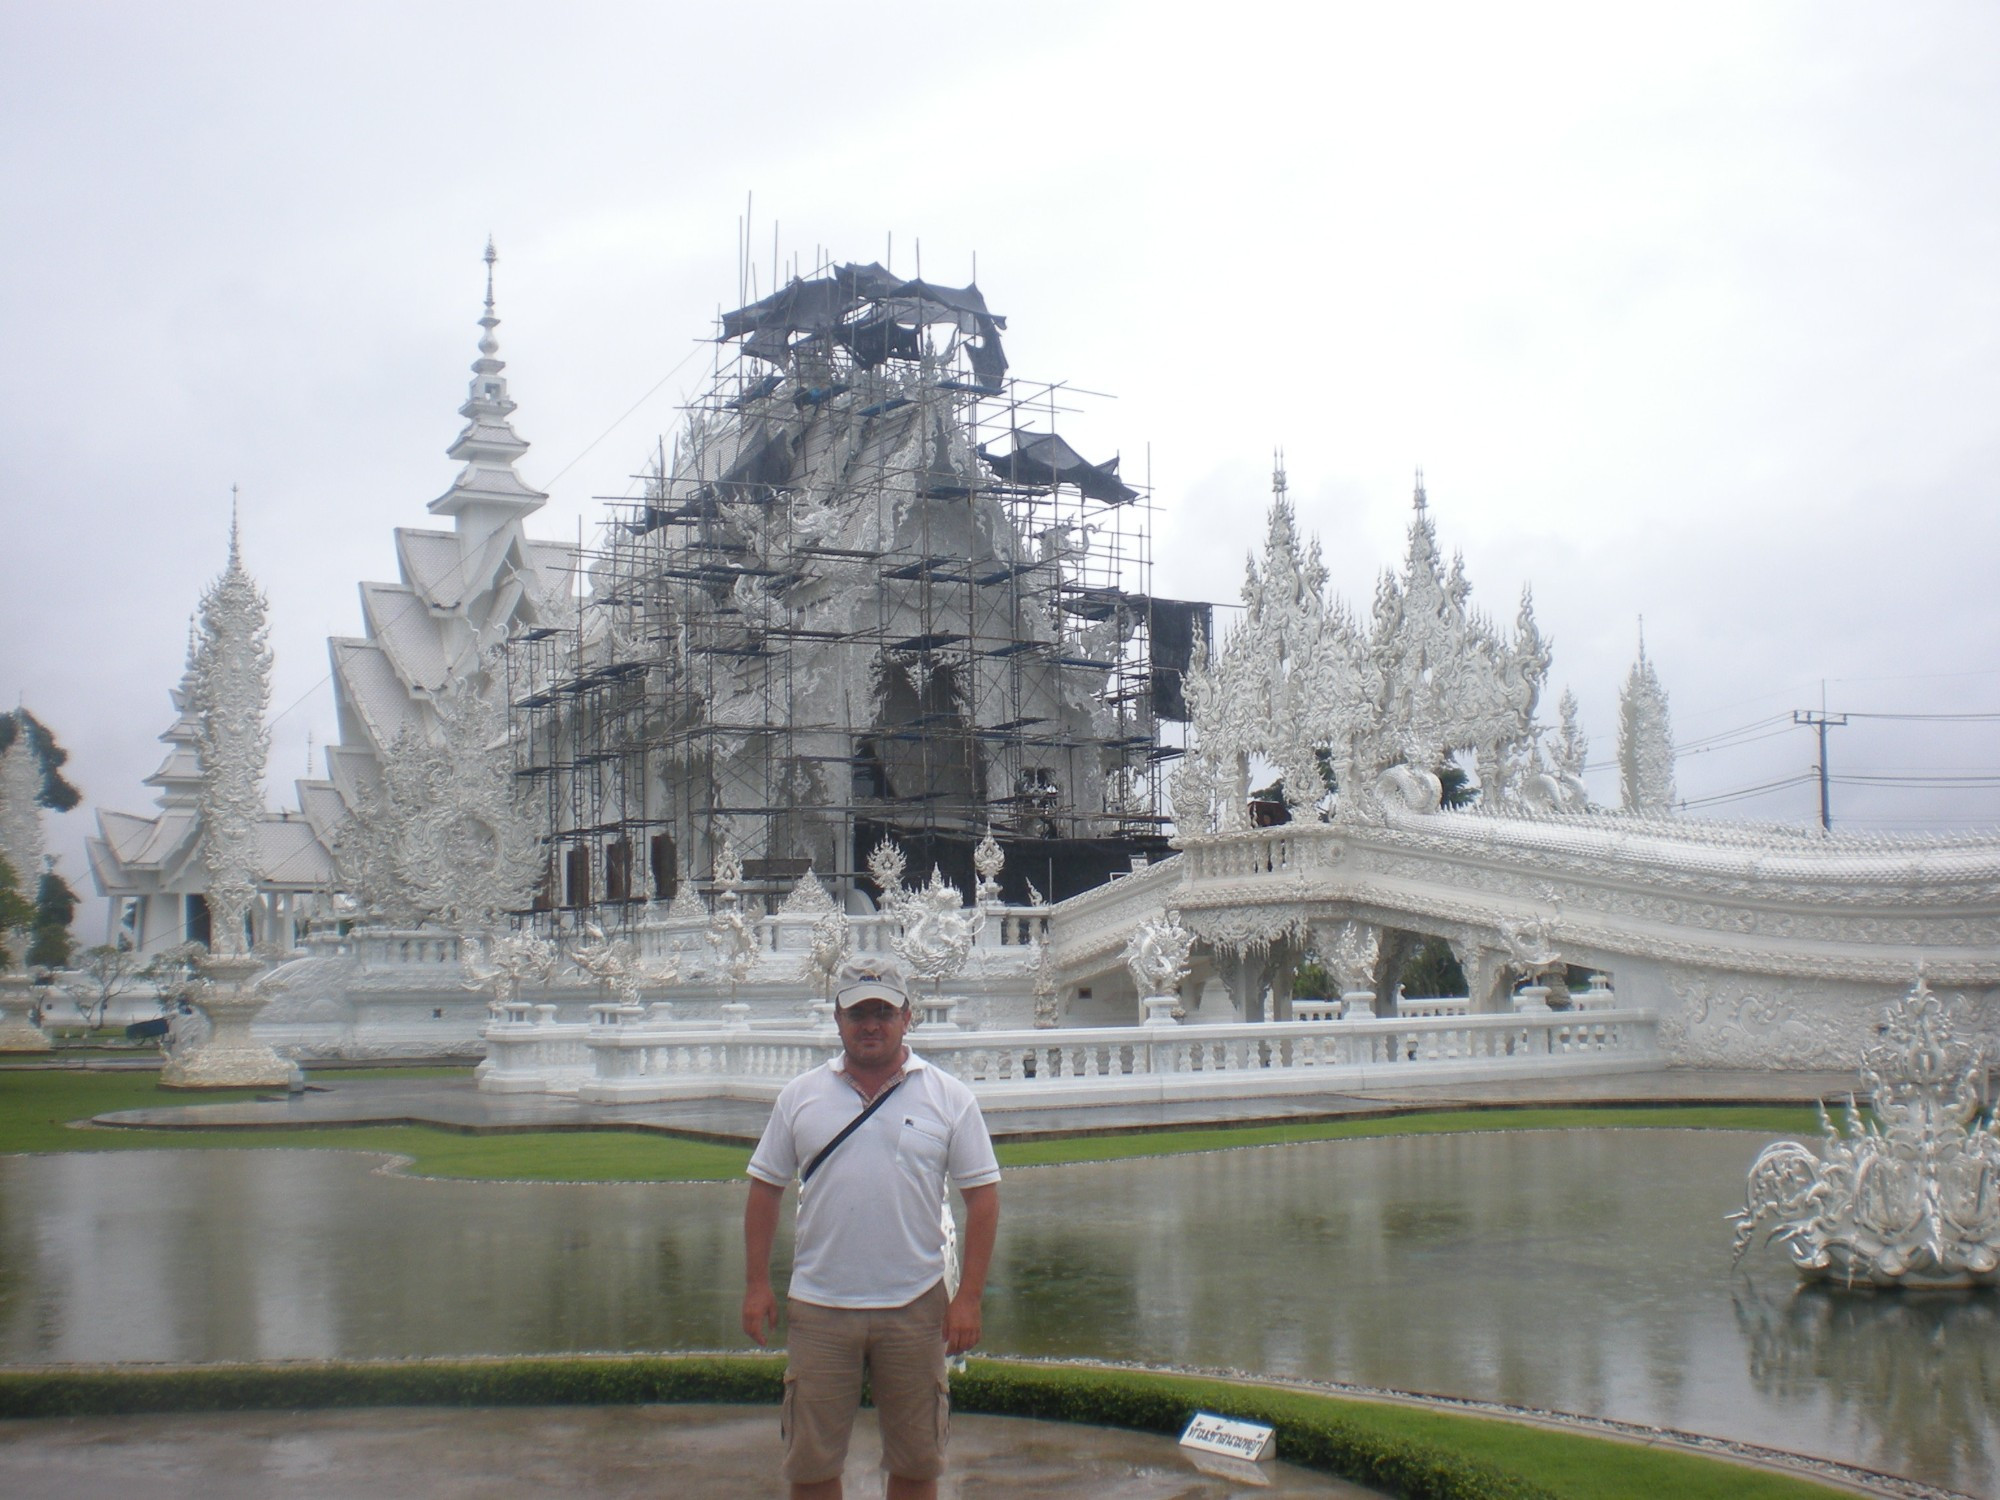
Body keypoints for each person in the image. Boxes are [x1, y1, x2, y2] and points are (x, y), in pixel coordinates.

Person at [742, 956, 1000, 1500]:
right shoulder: (801, 1096)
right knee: (810, 1466)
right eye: (858, 1013)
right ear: (837, 1020)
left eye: (883, 1011)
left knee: (916, 1462)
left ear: (908, 1017)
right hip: (819, 1305)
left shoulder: (949, 1097)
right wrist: (757, 1284)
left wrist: (969, 1298)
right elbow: (766, 1188)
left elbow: (983, 1199)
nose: (871, 1025)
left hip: (913, 1304)